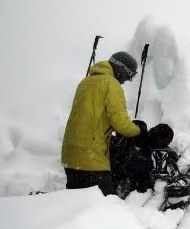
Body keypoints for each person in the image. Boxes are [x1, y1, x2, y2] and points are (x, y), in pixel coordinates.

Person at [61, 51, 145, 195]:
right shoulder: (111, 84)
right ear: (121, 68)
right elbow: (122, 125)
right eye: (128, 75)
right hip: (91, 159)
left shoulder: (85, 81)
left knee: (76, 205)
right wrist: (139, 130)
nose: (126, 81)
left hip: (70, 156)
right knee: (105, 207)